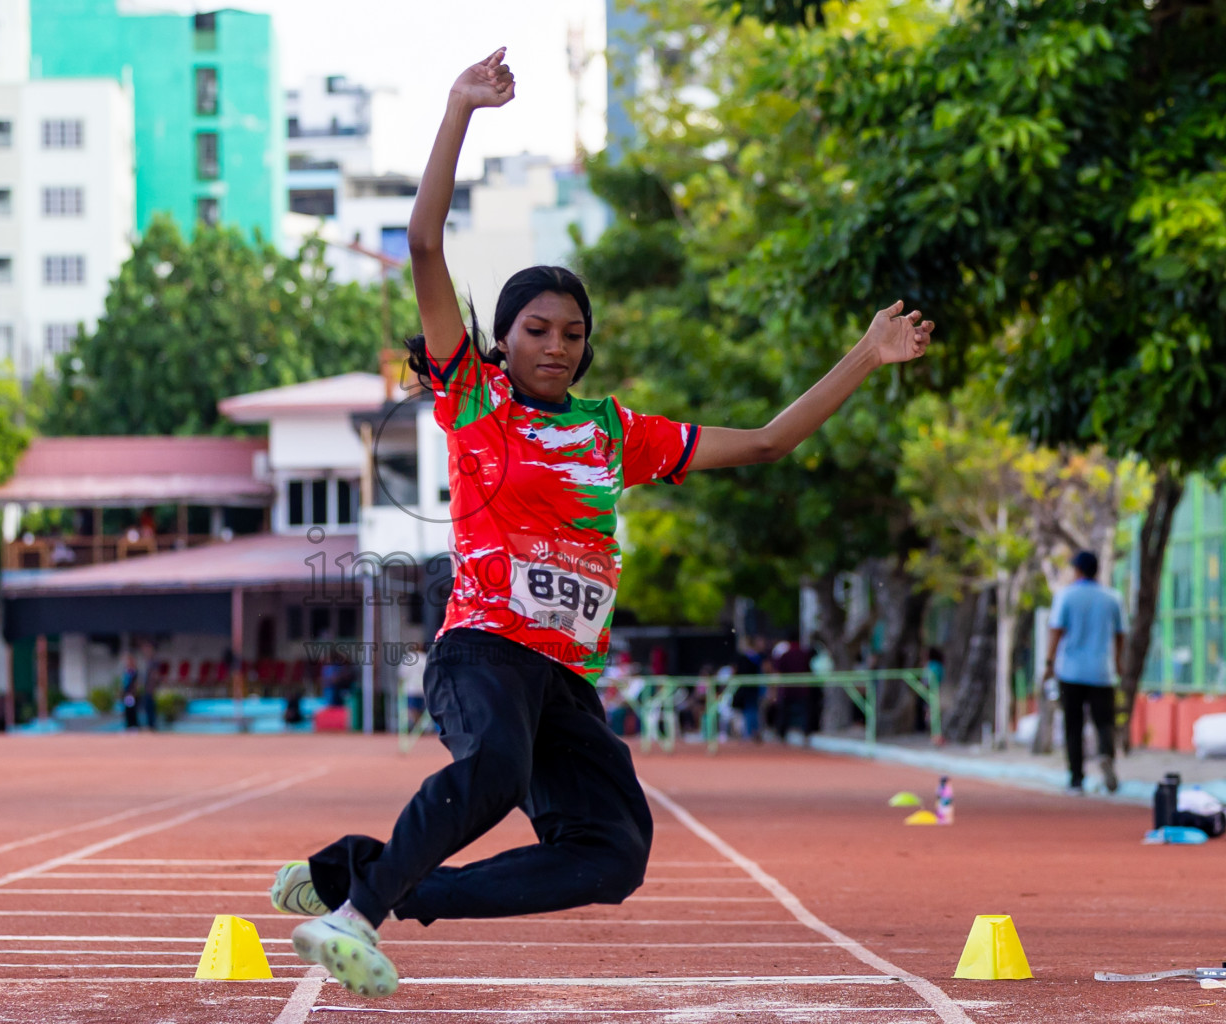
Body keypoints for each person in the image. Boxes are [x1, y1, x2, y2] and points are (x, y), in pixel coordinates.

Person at [269, 47, 935, 999]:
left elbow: (769, 442)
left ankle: (360, 881)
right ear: (505, 338)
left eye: (572, 332)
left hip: (566, 684)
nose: (556, 345)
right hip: (485, 650)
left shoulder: (616, 432)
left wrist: (867, 354)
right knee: (494, 770)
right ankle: (353, 918)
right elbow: (424, 244)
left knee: (611, 854)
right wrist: (460, 106)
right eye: (537, 329)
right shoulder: (475, 399)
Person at [1044, 550, 1126, 794]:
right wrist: (1118, 661)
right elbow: (1120, 633)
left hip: (1071, 671)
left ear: (1078, 571)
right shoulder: (1112, 597)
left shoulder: (1066, 596)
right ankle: (1105, 754)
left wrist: (1049, 663)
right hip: (1102, 671)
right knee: (1104, 722)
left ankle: (1076, 779)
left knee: (1073, 725)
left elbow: (1056, 630)